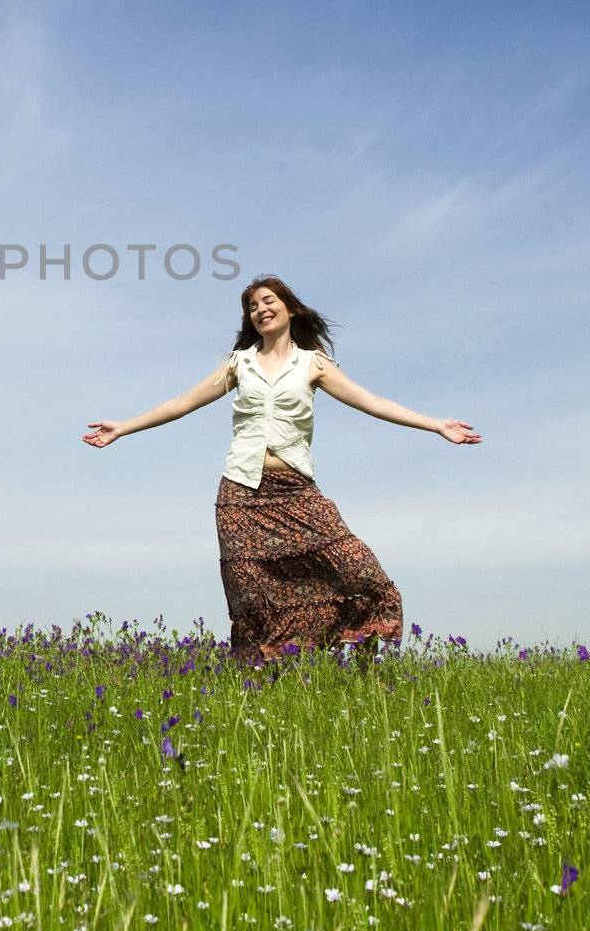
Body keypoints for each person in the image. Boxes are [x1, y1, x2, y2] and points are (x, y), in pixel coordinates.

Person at [83, 273, 480, 670]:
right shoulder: (238, 365)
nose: (260, 310)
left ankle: (365, 673)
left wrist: (436, 425)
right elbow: (182, 402)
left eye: (268, 301)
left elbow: (371, 402)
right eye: (252, 306)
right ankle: (259, 682)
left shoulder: (313, 365)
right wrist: (124, 427)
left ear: (289, 308)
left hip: (294, 487)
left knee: (360, 571)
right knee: (251, 595)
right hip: (241, 490)